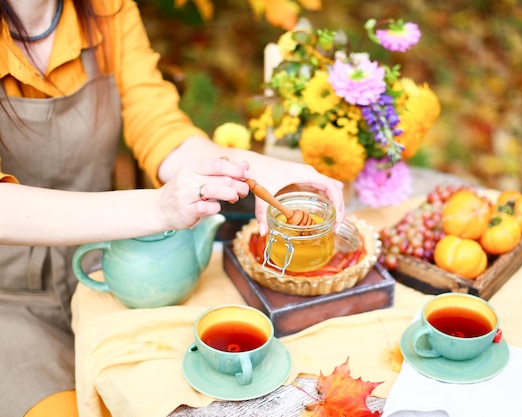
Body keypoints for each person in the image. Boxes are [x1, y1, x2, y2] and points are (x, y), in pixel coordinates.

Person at [0, 0, 345, 415]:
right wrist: (159, 207)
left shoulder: (107, 9)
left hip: (111, 279)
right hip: (12, 303)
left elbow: (159, 126)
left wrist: (256, 168)